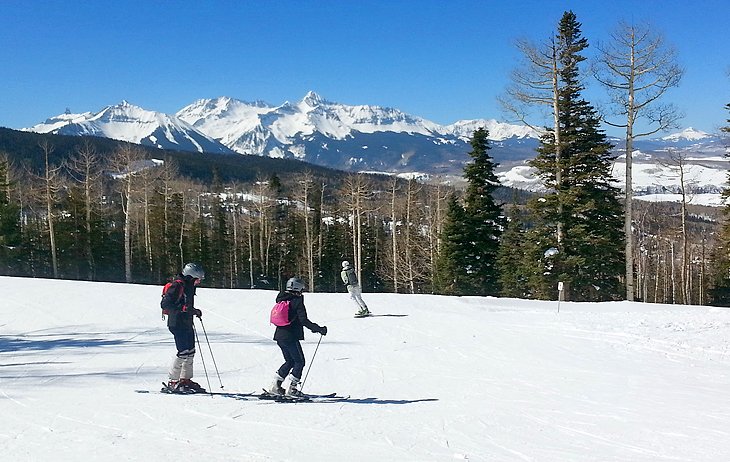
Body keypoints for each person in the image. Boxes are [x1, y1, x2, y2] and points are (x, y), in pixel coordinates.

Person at [268, 277, 327, 397]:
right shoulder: (296, 301)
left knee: (289, 361)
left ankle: (276, 385)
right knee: (299, 361)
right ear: (298, 288)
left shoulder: (282, 299)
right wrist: (319, 329)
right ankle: (292, 389)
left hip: (279, 336)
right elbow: (304, 320)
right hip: (291, 336)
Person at [161, 262, 205, 393]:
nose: (198, 282)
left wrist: (194, 311)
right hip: (177, 322)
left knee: (190, 351)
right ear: (190, 276)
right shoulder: (177, 285)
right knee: (183, 352)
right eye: (197, 279)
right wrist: (184, 309)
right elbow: (165, 304)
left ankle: (185, 379)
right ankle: (173, 381)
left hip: (186, 322)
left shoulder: (189, 286)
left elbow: (186, 305)